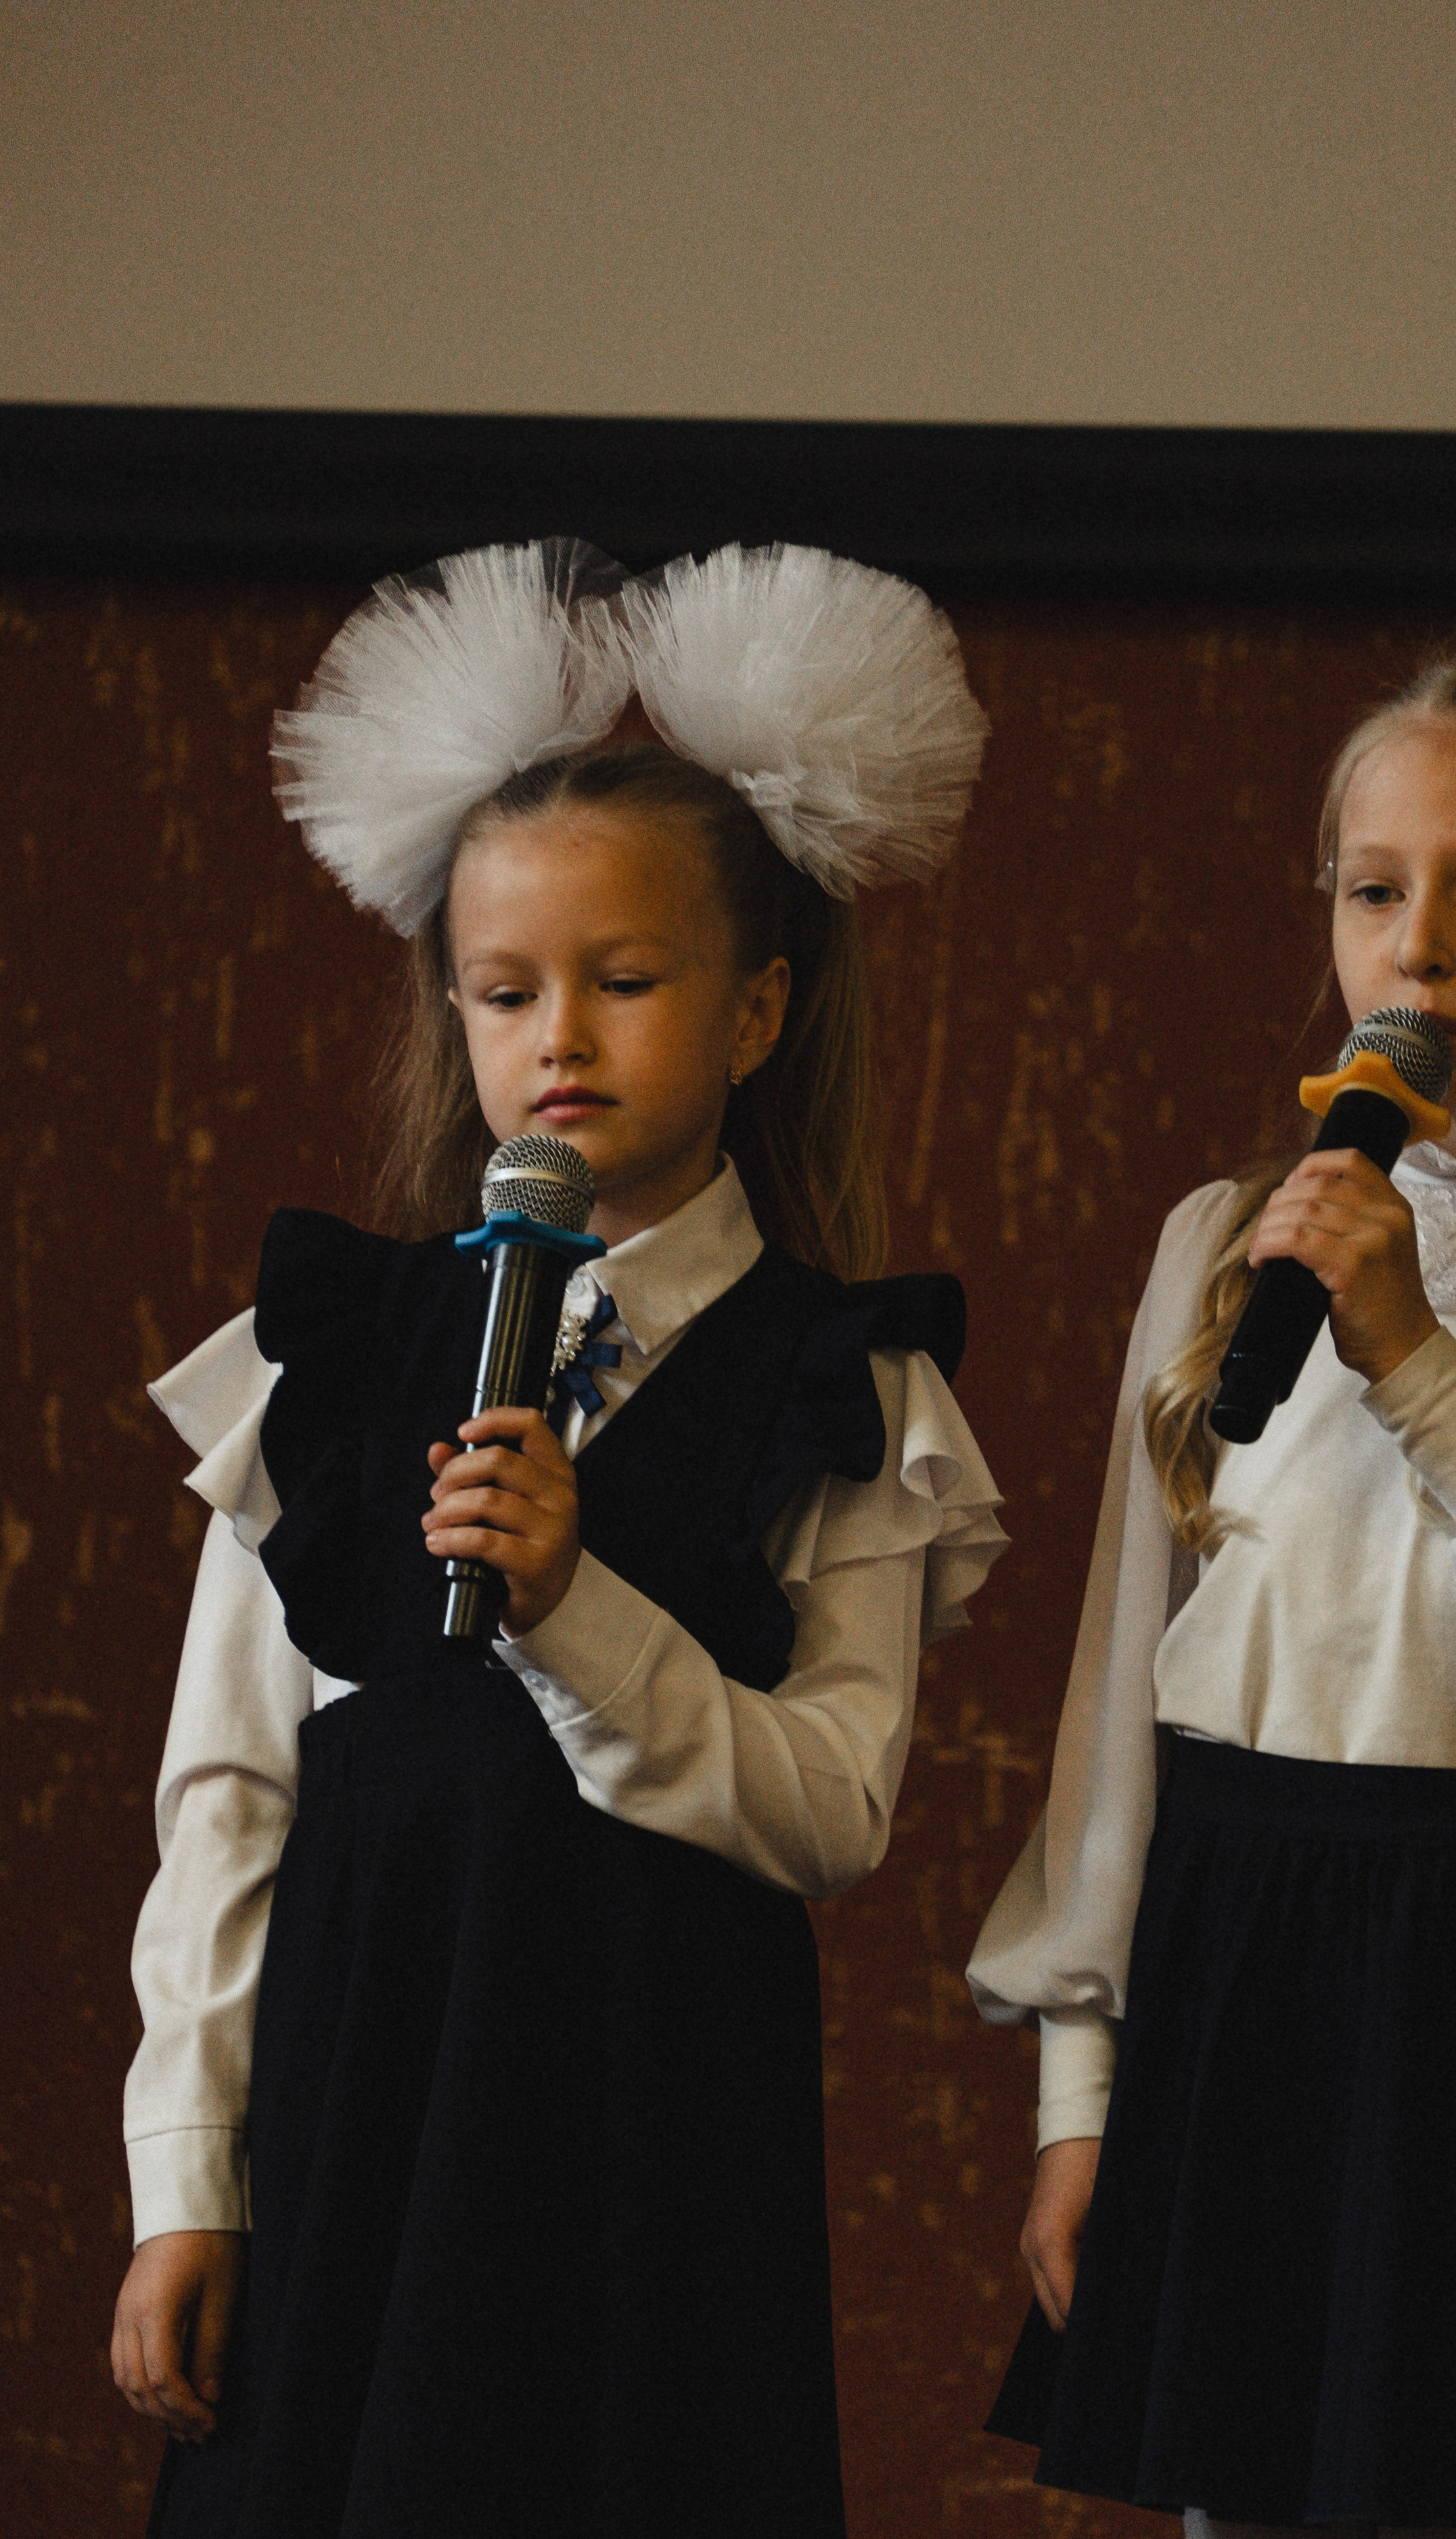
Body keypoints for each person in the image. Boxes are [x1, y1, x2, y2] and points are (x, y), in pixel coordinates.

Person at [110, 537, 1008, 2539]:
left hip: (644, 2143)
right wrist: (187, 2175)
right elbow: (231, 1788)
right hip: (357, 2109)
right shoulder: (343, 1352)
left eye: (626, 980)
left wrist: (573, 1608)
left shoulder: (842, 1385)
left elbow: (836, 1805)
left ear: (756, 1009)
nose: (561, 1037)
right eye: (508, 991)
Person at [967, 654, 1456, 2535]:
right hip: (1242, 1943)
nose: (1419, 946)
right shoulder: (1225, 1241)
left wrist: (1416, 1355)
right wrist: (1080, 2093)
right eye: (1374, 888)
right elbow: (1121, 1693)